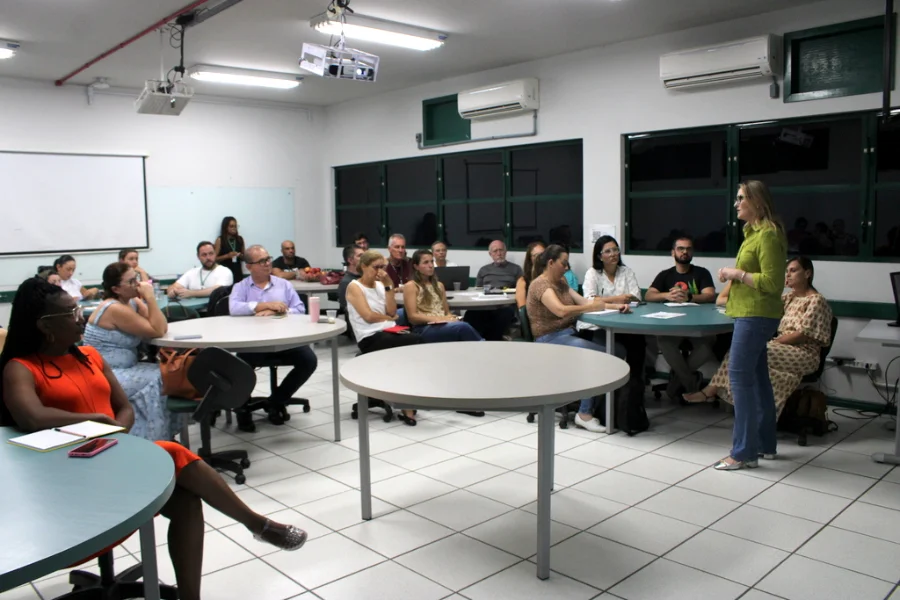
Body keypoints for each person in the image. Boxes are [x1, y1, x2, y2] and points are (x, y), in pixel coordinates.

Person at [0, 278, 307, 600]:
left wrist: (114, 427)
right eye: (70, 312)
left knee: (187, 501)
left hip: (111, 457)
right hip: (69, 482)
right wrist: (94, 420)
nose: (80, 318)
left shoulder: (89, 355)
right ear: (44, 325)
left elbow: (124, 407)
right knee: (172, 451)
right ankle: (258, 524)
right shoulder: (20, 368)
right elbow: (31, 417)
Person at [686, 257, 833, 417]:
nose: (788, 275)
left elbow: (802, 334)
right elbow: (751, 302)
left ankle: (711, 391)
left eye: (793, 271)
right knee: (746, 354)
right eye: (786, 272)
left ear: (807, 273)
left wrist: (774, 342)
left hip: (804, 354)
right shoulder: (790, 297)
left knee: (745, 351)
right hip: (783, 348)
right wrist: (737, 278)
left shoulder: (816, 301)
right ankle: (756, 412)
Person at [708, 180, 788, 471]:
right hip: (750, 313)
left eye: (741, 198)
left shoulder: (767, 235)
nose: (736, 203)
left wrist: (736, 273)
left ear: (757, 202)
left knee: (739, 380)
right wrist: (735, 274)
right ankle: (766, 444)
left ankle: (743, 453)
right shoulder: (753, 234)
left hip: (756, 315)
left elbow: (771, 283)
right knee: (759, 380)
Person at [526, 245, 629, 432]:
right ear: (550, 263)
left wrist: (616, 306)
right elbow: (560, 309)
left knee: (618, 351)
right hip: (549, 340)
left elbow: (585, 302)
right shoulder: (540, 285)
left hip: (568, 334)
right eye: (563, 263)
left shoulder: (561, 281)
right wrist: (590, 308)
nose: (566, 267)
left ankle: (594, 405)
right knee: (601, 357)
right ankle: (585, 413)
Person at [229, 245, 318, 431]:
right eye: (261, 261)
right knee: (239, 368)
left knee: (309, 360)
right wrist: (263, 306)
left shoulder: (283, 284)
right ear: (249, 266)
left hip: (284, 343)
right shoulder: (241, 287)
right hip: (253, 345)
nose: (267, 263)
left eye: (268, 259)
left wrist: (278, 311)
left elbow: (300, 309)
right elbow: (234, 308)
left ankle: (277, 401)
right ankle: (242, 409)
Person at [84, 263, 174, 441]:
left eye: (137, 279)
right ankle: (153, 438)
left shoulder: (131, 301)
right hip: (108, 374)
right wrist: (151, 298)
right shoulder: (113, 308)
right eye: (132, 281)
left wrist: (146, 300)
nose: (137, 284)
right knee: (159, 378)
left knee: (167, 373)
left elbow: (161, 326)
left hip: (126, 367)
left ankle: (161, 435)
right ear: (116, 289)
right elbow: (156, 331)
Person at [346, 250, 422, 426]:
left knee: (416, 342)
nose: (380, 271)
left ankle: (404, 396)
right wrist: (389, 319)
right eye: (376, 267)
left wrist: (388, 285)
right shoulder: (355, 287)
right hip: (369, 336)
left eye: (383, 267)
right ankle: (404, 403)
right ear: (363, 267)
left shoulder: (381, 285)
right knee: (415, 342)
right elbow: (368, 316)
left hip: (388, 331)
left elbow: (392, 311)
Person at [645, 236, 717, 399]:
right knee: (663, 341)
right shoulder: (665, 275)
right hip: (672, 326)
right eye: (680, 248)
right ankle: (691, 384)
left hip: (699, 325)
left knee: (709, 343)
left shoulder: (701, 272)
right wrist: (668, 295)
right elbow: (649, 295)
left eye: (688, 248)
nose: (685, 252)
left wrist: (689, 298)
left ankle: (677, 381)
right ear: (673, 252)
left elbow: (710, 295)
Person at [579, 236, 645, 376]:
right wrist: (619, 298)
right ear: (600, 256)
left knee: (638, 344)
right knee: (616, 348)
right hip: (596, 326)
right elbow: (589, 299)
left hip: (624, 324)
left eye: (615, 250)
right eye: (608, 251)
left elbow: (636, 296)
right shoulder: (592, 273)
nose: (613, 254)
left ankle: (632, 390)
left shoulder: (626, 272)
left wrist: (604, 300)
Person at [404, 250, 483, 342]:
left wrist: (451, 318)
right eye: (426, 262)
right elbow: (413, 317)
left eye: (431, 262)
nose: (430, 265)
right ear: (416, 266)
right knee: (462, 328)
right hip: (424, 327)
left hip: (442, 323)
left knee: (467, 322)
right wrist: (439, 319)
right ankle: (483, 346)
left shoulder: (439, 285)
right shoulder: (411, 286)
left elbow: (446, 312)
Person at [466, 240, 523, 340]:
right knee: (470, 313)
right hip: (485, 305)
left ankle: (490, 339)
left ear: (505, 252)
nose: (499, 253)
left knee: (507, 312)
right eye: (495, 251)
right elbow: (477, 289)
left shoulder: (516, 269)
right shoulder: (484, 270)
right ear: (490, 254)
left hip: (505, 304)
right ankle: (474, 340)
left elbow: (521, 288)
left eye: (501, 250)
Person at [167, 241, 234, 300]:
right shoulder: (192, 272)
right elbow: (173, 286)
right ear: (198, 256)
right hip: (193, 311)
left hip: (215, 312)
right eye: (204, 255)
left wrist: (191, 293)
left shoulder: (225, 271)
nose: (208, 258)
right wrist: (172, 291)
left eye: (211, 253)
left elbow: (217, 290)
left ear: (215, 254)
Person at [214, 216, 245, 283]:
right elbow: (214, 259)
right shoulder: (220, 240)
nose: (234, 228)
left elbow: (244, 258)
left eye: (236, 226)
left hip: (238, 273)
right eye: (231, 226)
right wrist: (227, 256)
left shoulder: (240, 239)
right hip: (224, 274)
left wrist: (240, 256)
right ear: (225, 227)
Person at [515, 241, 546, 309]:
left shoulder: (552, 276)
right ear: (530, 259)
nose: (540, 258)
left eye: (543, 254)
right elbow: (522, 308)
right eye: (536, 255)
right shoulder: (523, 281)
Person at [338, 244, 364, 316]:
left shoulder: (366, 278)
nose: (365, 258)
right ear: (350, 260)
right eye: (360, 256)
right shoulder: (346, 283)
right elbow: (349, 310)